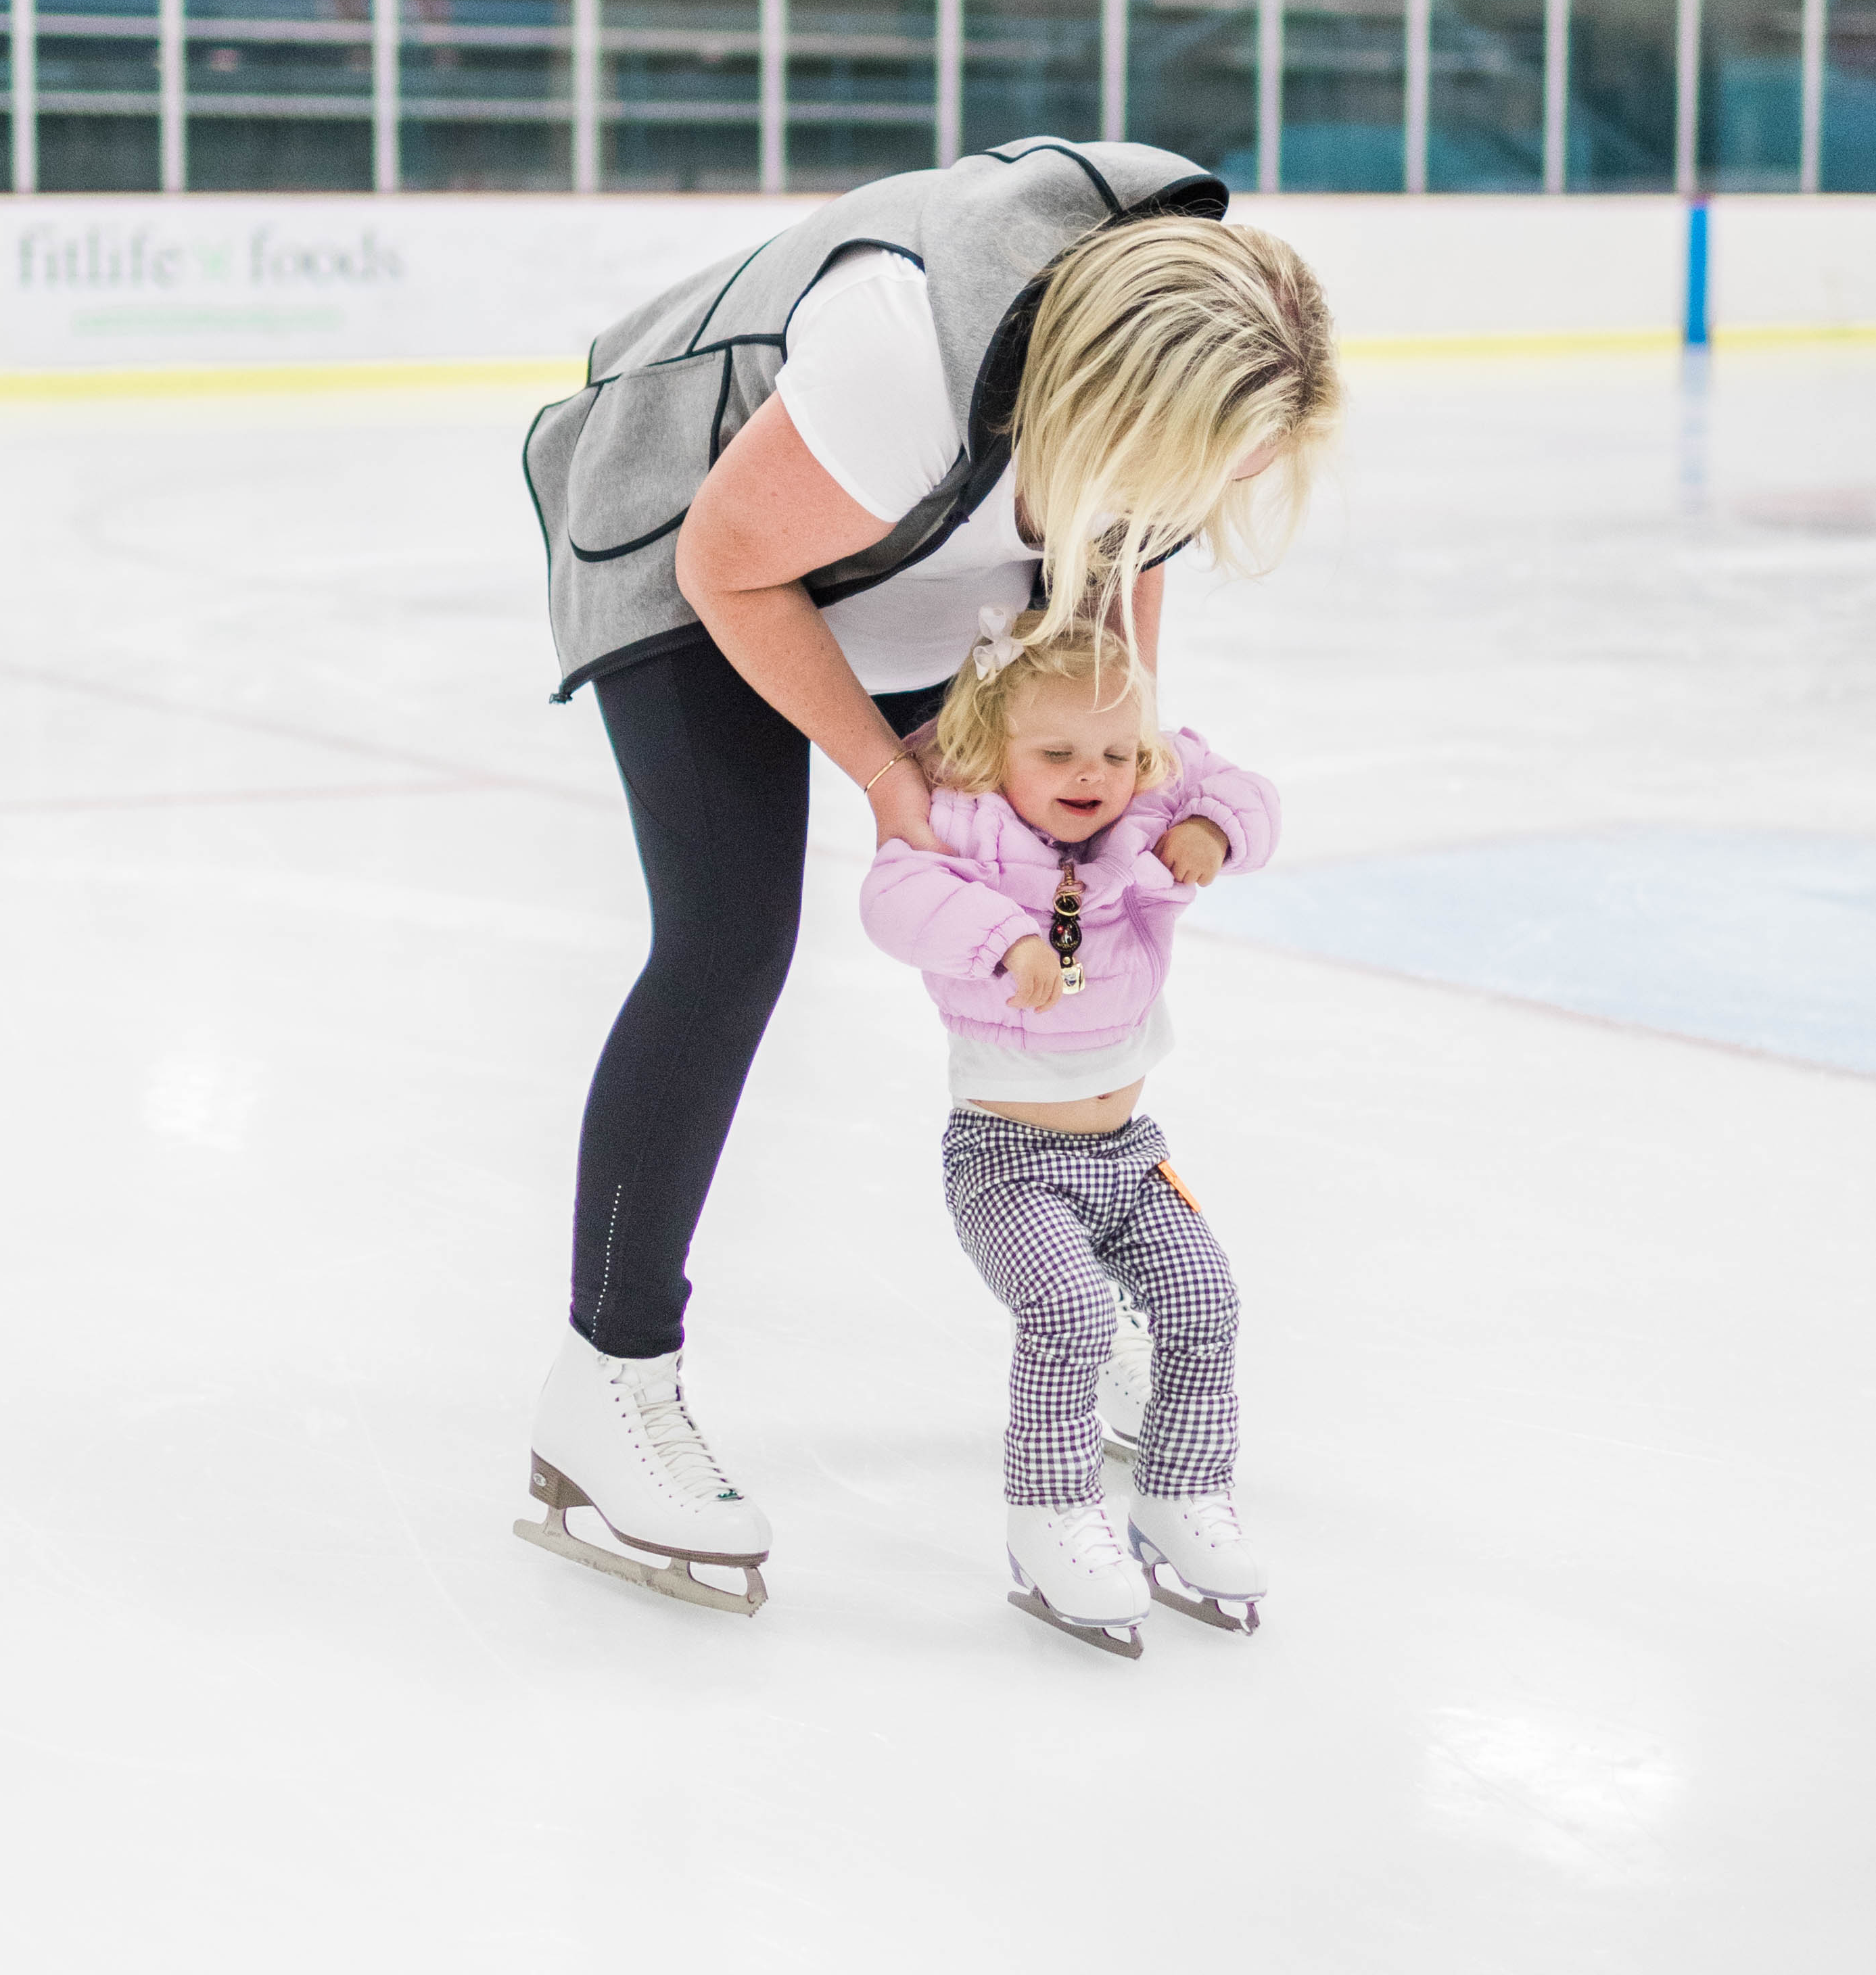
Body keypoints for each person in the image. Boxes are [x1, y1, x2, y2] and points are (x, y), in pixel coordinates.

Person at [513, 135, 1338, 1616]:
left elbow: (1125, 531)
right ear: (1112, 406)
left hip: (925, 537)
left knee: (1055, 851)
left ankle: (1096, 1275)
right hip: (702, 539)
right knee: (726, 938)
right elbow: (730, 562)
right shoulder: (903, 358)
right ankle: (606, 1381)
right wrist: (893, 785)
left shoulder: (1167, 348)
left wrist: (1121, 738)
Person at [860, 606, 1280, 1658]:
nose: (1090, 773)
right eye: (1054, 753)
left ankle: (1182, 1494)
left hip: (1131, 1154)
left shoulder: (1139, 806)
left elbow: (1243, 789)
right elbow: (893, 899)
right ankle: (1050, 1515)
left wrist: (1210, 828)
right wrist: (1000, 940)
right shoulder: (959, 829)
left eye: (1113, 752)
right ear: (992, 751)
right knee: (1070, 1319)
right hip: (1008, 1162)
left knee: (1204, 1302)